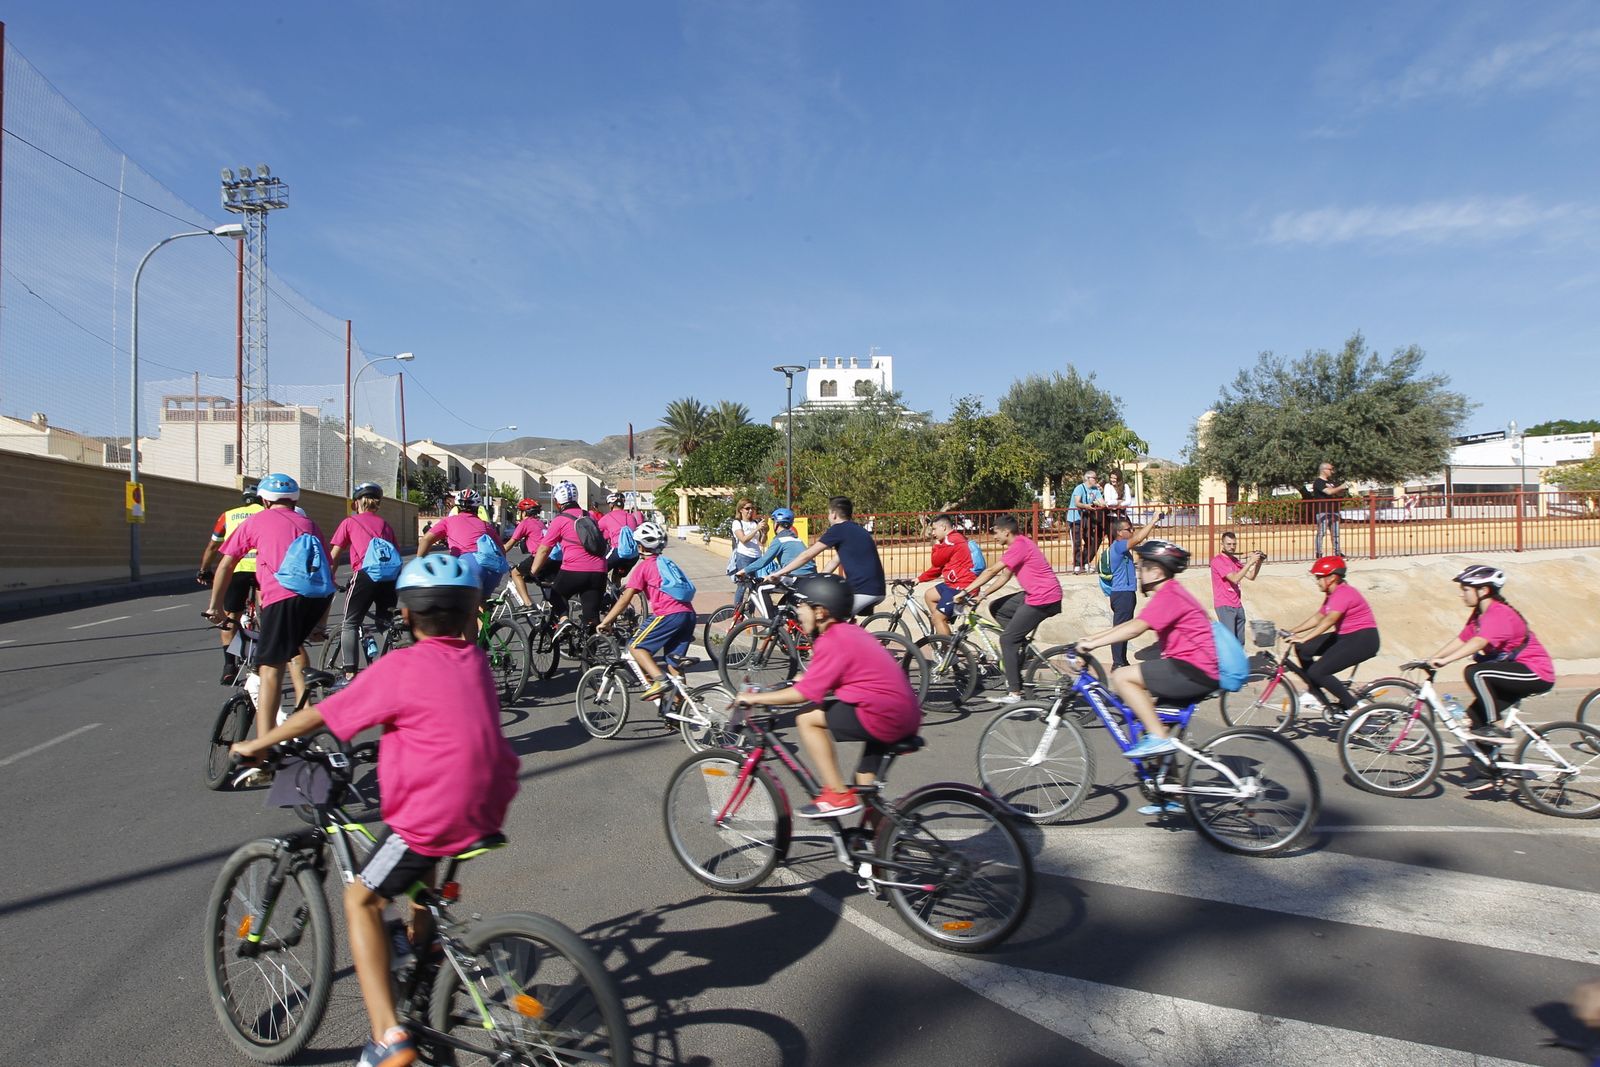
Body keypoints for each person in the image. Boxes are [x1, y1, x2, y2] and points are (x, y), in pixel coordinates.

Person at [230, 553, 519, 1067]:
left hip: (432, 812)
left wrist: (263, 742)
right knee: (422, 872)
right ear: (473, 613)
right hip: (490, 802)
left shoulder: (401, 667)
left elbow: (322, 714)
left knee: (361, 900)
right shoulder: (474, 660)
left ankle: (389, 1037)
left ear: (405, 616)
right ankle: (426, 950)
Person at [732, 574, 922, 818]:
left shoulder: (834, 640)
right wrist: (799, 681)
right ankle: (881, 845)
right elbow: (825, 676)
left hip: (884, 714)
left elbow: (802, 694)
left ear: (820, 611)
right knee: (865, 786)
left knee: (807, 718)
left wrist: (754, 699)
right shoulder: (848, 633)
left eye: (802, 606)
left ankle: (837, 794)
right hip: (902, 713)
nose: (798, 612)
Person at [204, 473, 335, 762]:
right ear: (294, 500)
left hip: (282, 598)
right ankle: (305, 713)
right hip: (315, 601)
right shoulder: (309, 524)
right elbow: (327, 571)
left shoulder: (256, 521)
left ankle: (263, 752)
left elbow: (226, 564)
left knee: (270, 670)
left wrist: (215, 606)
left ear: (264, 500)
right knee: (293, 652)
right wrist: (321, 624)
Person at [1076, 540, 1219, 766]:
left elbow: (1134, 629)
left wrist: (1092, 645)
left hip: (1192, 669)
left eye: (1142, 566)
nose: (1138, 571)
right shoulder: (1171, 592)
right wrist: (1091, 640)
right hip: (1194, 670)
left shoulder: (1169, 595)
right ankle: (1169, 797)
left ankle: (1159, 738)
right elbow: (1131, 624)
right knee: (1151, 723)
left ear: (1157, 572)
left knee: (1122, 677)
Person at [1426, 565, 1557, 792]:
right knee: (1475, 718)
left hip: (1535, 672)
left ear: (1484, 590)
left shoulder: (1499, 613)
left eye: (1465, 589)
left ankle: (1495, 726)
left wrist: (1446, 661)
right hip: (1514, 671)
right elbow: (1463, 639)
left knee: (1476, 671)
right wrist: (1433, 658)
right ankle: (1489, 773)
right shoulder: (1479, 615)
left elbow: (1478, 643)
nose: (1461, 593)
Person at [962, 514, 1063, 704]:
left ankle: (1015, 692)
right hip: (1035, 594)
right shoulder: (1019, 544)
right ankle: (1020, 643)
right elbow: (1004, 576)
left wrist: (964, 591)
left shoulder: (1019, 546)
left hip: (1043, 597)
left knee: (1007, 639)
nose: (994, 537)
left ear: (1006, 531)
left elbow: (991, 571)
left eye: (996, 532)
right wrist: (982, 595)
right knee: (999, 608)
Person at [598, 522, 694, 702]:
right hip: (688, 614)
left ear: (640, 546)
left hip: (668, 614)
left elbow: (625, 599)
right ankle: (679, 709)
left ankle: (660, 681)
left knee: (636, 647)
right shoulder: (668, 562)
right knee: (674, 663)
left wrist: (606, 621)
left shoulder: (643, 567)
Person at [1285, 555, 1380, 721]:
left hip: (1363, 639)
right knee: (1303, 648)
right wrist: (1293, 632)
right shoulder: (1331, 594)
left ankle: (1354, 708)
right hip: (1345, 636)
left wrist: (1303, 637)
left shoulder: (1344, 593)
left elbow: (1329, 621)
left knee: (1318, 671)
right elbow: (1318, 617)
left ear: (1332, 578)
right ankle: (1315, 691)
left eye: (1319, 577)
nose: (1317, 581)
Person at [328, 482, 401, 680]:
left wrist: (330, 577)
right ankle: (393, 667)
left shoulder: (350, 523)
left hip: (365, 576)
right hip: (389, 579)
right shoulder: (385, 525)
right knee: (385, 623)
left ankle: (350, 671)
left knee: (350, 623)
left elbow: (334, 555)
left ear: (357, 503)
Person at [771, 496, 887, 617]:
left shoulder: (838, 529)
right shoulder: (859, 530)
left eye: (828, 513)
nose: (828, 517)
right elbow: (834, 561)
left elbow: (807, 555)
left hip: (862, 591)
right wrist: (816, 580)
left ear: (834, 514)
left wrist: (780, 573)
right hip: (878, 590)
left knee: (825, 619)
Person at [199, 484, 264, 684]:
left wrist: (204, 569)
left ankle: (229, 666)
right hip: (262, 568)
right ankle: (263, 659)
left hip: (236, 569)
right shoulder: (267, 513)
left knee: (231, 616)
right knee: (266, 613)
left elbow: (213, 545)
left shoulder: (228, 515)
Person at [526, 480, 609, 631]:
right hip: (600, 570)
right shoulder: (590, 516)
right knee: (591, 617)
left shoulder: (560, 520)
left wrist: (533, 572)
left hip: (575, 570)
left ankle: (564, 621)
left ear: (557, 502)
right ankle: (591, 647)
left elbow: (544, 549)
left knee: (555, 594)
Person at [1101, 510, 1165, 669]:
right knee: (1120, 629)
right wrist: (1153, 520)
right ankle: (1117, 663)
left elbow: (1139, 542)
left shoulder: (1122, 549)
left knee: (1123, 628)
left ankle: (1122, 661)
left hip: (1125, 594)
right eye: (1128, 529)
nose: (1132, 531)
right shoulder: (1118, 547)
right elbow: (1138, 539)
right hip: (1122, 594)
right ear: (1119, 533)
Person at [416, 488, 503, 602]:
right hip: (494, 567)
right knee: (481, 603)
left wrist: (418, 563)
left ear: (457, 506)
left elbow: (426, 540)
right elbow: (501, 549)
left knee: (454, 604)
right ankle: (486, 619)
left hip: (469, 565)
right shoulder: (485, 524)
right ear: (477, 508)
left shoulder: (449, 521)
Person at [741, 508, 814, 617]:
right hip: (808, 577)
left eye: (774, 521)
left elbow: (764, 560)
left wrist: (744, 570)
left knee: (761, 589)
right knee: (784, 606)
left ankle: (769, 624)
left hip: (796, 577)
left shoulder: (780, 540)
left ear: (777, 523)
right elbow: (789, 562)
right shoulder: (797, 539)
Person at [916, 513, 977, 637]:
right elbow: (939, 568)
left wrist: (936, 545)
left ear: (943, 527)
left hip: (961, 586)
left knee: (938, 618)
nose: (933, 533)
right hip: (953, 583)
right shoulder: (956, 538)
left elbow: (936, 561)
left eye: (934, 529)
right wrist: (919, 578)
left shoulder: (951, 541)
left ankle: (947, 651)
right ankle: (943, 626)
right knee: (929, 595)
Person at [1210, 531, 1266, 644]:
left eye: (1234, 544)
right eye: (1228, 544)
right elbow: (1235, 578)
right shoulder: (1218, 561)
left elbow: (1251, 576)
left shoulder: (1235, 561)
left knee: (1240, 641)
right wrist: (1250, 562)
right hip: (1225, 604)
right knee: (1230, 640)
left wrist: (1259, 562)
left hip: (1237, 604)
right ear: (1222, 544)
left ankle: (1239, 661)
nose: (1232, 547)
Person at [502, 498, 550, 610]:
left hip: (538, 558)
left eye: (520, 511)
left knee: (515, 573)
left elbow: (509, 545)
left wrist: (496, 553)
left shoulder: (525, 523)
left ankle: (528, 605)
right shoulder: (540, 523)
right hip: (549, 558)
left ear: (524, 512)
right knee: (527, 574)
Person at [598, 490, 643, 580]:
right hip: (634, 554)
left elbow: (596, 532)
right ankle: (617, 589)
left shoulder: (607, 517)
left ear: (611, 505)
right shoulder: (631, 517)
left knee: (598, 570)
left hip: (618, 552)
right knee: (617, 576)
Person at [1307, 461, 1347, 557]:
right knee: (1322, 532)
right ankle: (1319, 552)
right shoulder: (1318, 482)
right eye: (1330, 469)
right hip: (1322, 511)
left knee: (1336, 533)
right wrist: (1341, 487)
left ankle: (1337, 552)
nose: (1332, 472)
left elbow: (1336, 493)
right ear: (1323, 470)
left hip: (1334, 510)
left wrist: (1342, 489)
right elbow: (1329, 492)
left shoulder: (1331, 482)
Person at [1067, 470, 1103, 575]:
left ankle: (1086, 562)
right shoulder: (1079, 488)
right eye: (1094, 478)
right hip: (1075, 518)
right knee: (1077, 541)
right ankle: (1077, 565)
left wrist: (1105, 502)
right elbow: (1077, 503)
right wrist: (1087, 506)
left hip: (1086, 518)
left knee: (1090, 540)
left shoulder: (1095, 489)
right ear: (1088, 479)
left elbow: (1101, 501)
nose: (1096, 480)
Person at [727, 499, 767, 584]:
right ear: (741, 510)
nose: (751, 510)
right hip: (744, 557)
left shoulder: (755, 522)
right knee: (743, 585)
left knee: (757, 584)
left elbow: (761, 542)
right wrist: (756, 529)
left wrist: (764, 532)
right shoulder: (737, 523)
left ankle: (752, 598)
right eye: (747, 508)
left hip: (757, 556)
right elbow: (743, 539)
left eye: (752, 508)